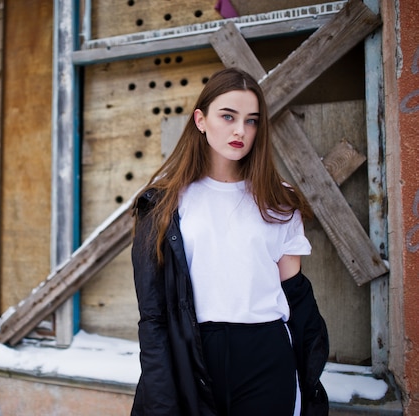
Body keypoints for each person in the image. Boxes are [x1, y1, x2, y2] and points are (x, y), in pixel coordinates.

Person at [130, 67, 329, 416]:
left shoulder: (279, 201)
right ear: (201, 120)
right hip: (194, 356)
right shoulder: (162, 204)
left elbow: (295, 295)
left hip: (267, 356)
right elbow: (153, 315)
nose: (240, 130)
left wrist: (309, 378)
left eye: (251, 121)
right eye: (228, 116)